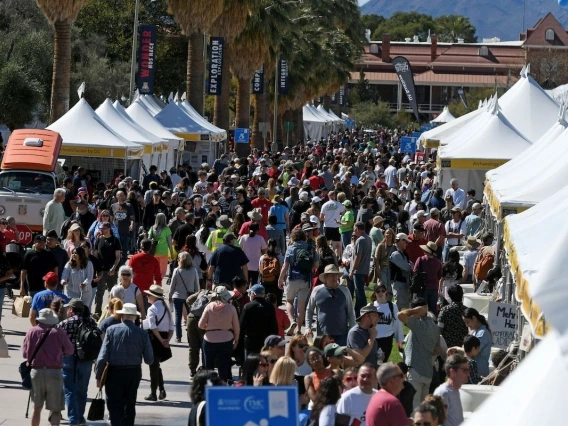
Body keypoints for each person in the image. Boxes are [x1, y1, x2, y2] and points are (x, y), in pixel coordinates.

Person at [95, 303, 154, 426]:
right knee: (130, 403)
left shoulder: (111, 330)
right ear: (135, 317)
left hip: (114, 372)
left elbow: (102, 356)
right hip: (134, 372)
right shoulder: (142, 333)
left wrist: (98, 375)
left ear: (121, 315)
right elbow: (149, 359)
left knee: (114, 405)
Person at [22, 308, 74, 426]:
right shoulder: (59, 332)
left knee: (36, 408)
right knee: (55, 409)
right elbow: (70, 350)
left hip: (36, 372)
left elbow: (25, 354)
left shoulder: (31, 331)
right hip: (54, 372)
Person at [56, 299, 99, 426]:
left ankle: (73, 419)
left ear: (71, 309)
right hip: (86, 359)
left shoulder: (64, 323)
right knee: (82, 389)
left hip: (68, 358)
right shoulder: (90, 322)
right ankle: (80, 417)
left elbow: (57, 341)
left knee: (70, 390)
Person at [398, 297, 441, 409]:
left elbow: (400, 315)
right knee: (424, 410)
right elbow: (437, 350)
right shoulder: (435, 328)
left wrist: (414, 311)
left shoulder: (418, 325)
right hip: (428, 373)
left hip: (415, 372)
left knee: (413, 409)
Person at [278, 228, 319, 336]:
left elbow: (285, 266)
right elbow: (316, 265)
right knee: (301, 306)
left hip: (292, 279)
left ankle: (292, 321)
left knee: (289, 301)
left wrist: (280, 279)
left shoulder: (291, 248)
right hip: (306, 280)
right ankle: (299, 329)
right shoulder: (310, 248)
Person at [305, 264, 356, 346]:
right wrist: (308, 327)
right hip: (323, 335)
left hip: (341, 335)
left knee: (340, 357)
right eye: (331, 275)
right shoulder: (317, 290)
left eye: (336, 275)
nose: (334, 277)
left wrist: (353, 331)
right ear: (325, 277)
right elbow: (309, 310)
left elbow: (351, 312)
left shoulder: (345, 291)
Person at [198, 285, 240, 382]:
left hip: (209, 339)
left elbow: (200, 325)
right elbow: (236, 327)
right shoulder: (231, 308)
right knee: (223, 368)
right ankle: (222, 389)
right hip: (226, 340)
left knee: (209, 368)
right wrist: (236, 341)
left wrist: (209, 327)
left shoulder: (209, 307)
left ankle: (209, 390)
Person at [144, 285, 174, 402]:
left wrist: (160, 340)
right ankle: (161, 389)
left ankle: (153, 393)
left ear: (153, 296)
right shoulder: (166, 308)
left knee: (153, 366)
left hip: (154, 339)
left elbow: (152, 326)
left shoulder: (152, 309)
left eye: (148, 295)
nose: (147, 296)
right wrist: (166, 340)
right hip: (164, 337)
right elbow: (172, 327)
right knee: (156, 366)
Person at [168, 251, 199, 342]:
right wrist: (197, 296)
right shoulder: (194, 271)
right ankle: (191, 337)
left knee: (178, 317)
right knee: (190, 317)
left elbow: (172, 285)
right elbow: (196, 285)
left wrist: (170, 296)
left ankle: (178, 337)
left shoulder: (177, 270)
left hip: (177, 296)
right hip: (190, 297)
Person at [239, 284, 278, 356]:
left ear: (253, 294)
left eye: (250, 293)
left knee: (250, 363)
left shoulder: (248, 306)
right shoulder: (270, 307)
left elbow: (242, 325)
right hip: (265, 341)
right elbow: (274, 326)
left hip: (250, 341)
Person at [93, 222, 122, 315]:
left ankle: (113, 311)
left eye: (103, 228)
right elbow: (95, 255)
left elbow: (118, 256)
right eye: (101, 228)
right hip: (101, 270)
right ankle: (97, 311)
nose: (101, 230)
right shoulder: (98, 239)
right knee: (99, 291)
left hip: (112, 271)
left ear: (109, 229)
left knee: (113, 291)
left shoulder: (115, 240)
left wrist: (113, 268)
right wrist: (96, 269)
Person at [433, 354, 469, 426]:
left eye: (468, 370)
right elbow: (437, 422)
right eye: (465, 370)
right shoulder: (443, 392)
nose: (468, 374)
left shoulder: (455, 390)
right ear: (452, 372)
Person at [372, 284, 404, 362]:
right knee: (373, 363)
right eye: (378, 291)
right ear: (375, 293)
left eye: (383, 291)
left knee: (383, 363)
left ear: (386, 292)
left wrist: (400, 344)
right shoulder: (371, 306)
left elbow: (397, 326)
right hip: (374, 340)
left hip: (387, 340)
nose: (380, 293)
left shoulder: (392, 306)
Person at [349, 221, 373, 317]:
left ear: (358, 229)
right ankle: (357, 312)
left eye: (355, 229)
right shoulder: (368, 239)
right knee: (360, 292)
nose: (354, 231)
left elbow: (358, 257)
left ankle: (364, 312)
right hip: (364, 270)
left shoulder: (360, 240)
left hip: (358, 271)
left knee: (360, 294)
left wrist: (352, 271)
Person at [463, 308, 492, 377]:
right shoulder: (473, 331)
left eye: (467, 322)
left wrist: (456, 348)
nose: (466, 325)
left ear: (474, 318)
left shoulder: (482, 333)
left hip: (479, 372)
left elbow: (471, 352)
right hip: (474, 372)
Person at [414, 241, 442, 313]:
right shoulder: (438, 262)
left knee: (421, 308)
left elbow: (415, 272)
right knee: (433, 309)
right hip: (434, 288)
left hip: (422, 288)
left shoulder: (420, 260)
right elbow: (439, 276)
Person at [438, 284, 468, 349]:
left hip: (447, 346)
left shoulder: (445, 310)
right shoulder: (467, 311)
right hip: (463, 346)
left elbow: (439, 330)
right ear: (462, 295)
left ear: (449, 296)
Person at [389, 233, 413, 309]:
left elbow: (412, 265)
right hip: (398, 283)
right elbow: (407, 267)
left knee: (406, 304)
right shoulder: (395, 253)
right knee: (399, 305)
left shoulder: (403, 254)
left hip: (405, 282)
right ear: (401, 241)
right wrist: (410, 265)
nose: (407, 244)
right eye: (406, 242)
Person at [148, 213, 175, 278]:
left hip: (154, 252)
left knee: (155, 270)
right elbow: (169, 243)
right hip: (163, 252)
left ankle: (155, 283)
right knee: (162, 271)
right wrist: (171, 254)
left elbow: (148, 240)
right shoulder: (166, 229)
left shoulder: (152, 228)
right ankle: (158, 284)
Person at [320, 190, 345, 258]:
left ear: (328, 196)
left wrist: (326, 219)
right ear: (334, 196)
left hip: (327, 226)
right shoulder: (339, 204)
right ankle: (337, 257)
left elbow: (321, 217)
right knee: (336, 244)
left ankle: (326, 256)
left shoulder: (325, 205)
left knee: (327, 243)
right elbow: (343, 214)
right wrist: (339, 217)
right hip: (336, 226)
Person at [375, 228, 396, 294]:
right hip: (383, 269)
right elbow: (376, 259)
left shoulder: (395, 247)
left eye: (390, 233)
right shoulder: (381, 245)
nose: (389, 235)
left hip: (391, 270)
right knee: (382, 287)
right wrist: (377, 271)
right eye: (387, 233)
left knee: (390, 289)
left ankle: (388, 302)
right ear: (384, 235)